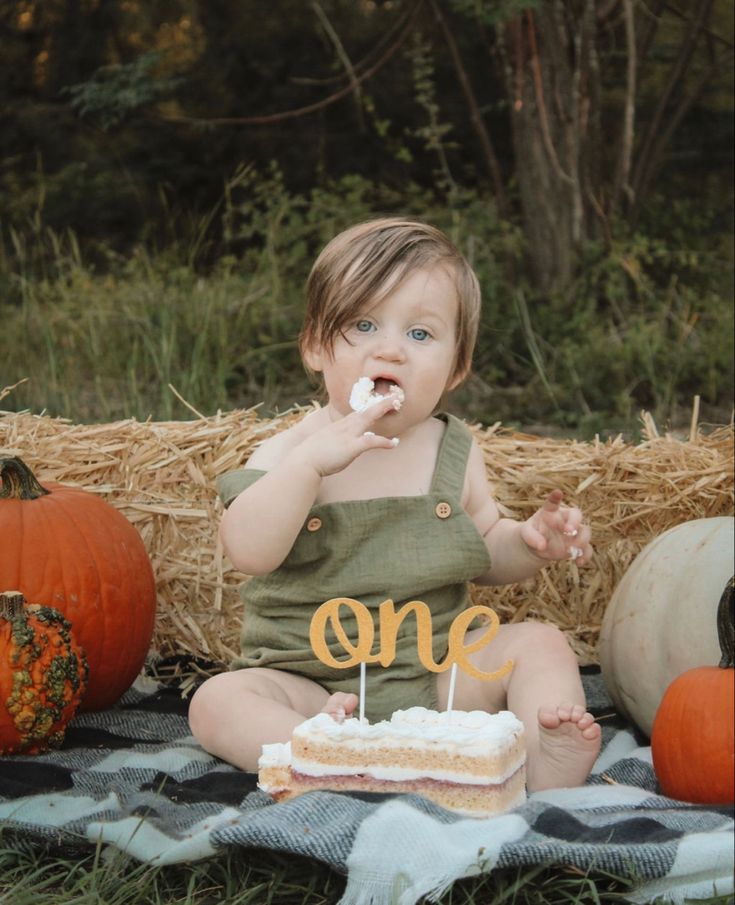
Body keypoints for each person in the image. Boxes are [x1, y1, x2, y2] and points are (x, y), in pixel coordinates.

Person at [189, 217, 601, 792]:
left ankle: (543, 759)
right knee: (218, 701)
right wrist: (308, 468)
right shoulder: (287, 454)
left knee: (539, 642)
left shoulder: (451, 452)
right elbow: (249, 552)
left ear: (456, 367)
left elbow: (482, 550)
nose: (391, 349)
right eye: (363, 324)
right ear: (315, 347)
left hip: (440, 679)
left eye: (420, 335)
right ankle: (330, 756)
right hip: (311, 683)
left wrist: (530, 542)